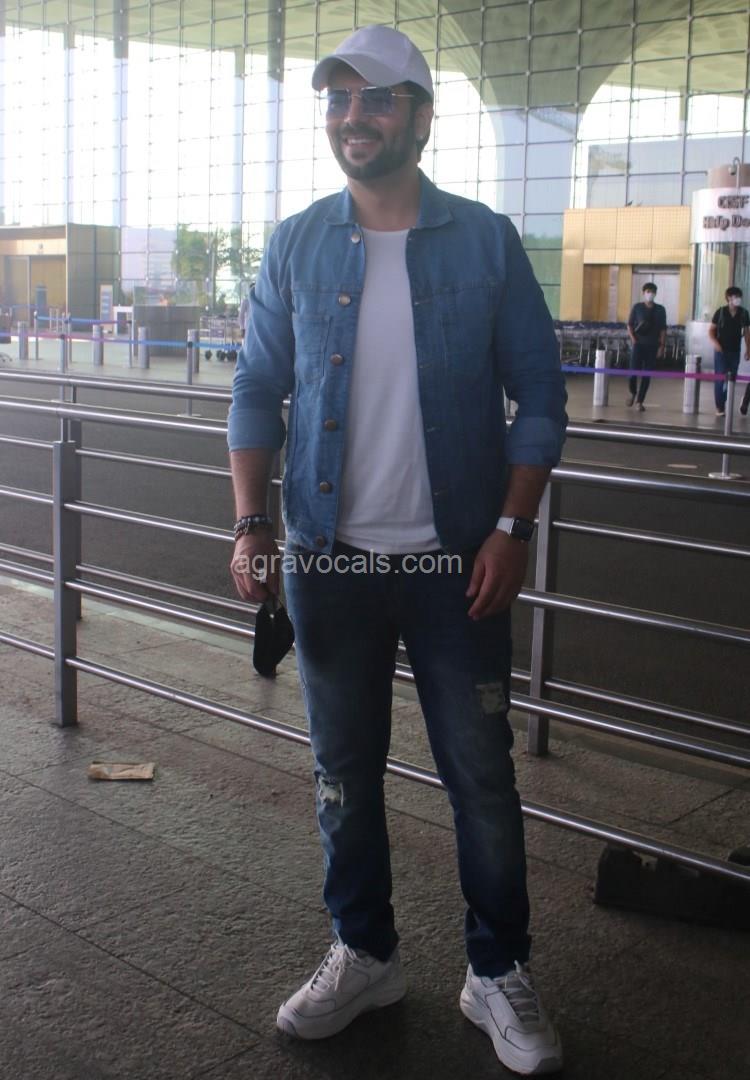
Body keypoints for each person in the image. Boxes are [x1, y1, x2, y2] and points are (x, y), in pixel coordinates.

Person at [227, 25, 567, 1077]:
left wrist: (512, 527)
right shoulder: (296, 244)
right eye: (338, 100)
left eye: (376, 99)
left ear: (421, 116)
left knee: (482, 779)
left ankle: (496, 970)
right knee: (342, 775)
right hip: (328, 561)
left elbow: (540, 395)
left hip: (455, 564)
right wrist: (250, 522)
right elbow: (256, 388)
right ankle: (365, 953)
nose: (353, 118)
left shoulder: (484, 241)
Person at [708, 286, 750, 417]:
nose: (738, 299)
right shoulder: (720, 312)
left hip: (735, 351)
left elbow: (747, 333)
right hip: (721, 351)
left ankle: (725, 400)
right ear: (729, 298)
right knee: (720, 379)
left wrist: (748, 349)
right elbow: (711, 331)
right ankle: (719, 407)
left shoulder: (744, 313)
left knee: (731, 379)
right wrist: (716, 344)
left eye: (739, 297)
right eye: (735, 297)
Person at [626, 282, 667, 411]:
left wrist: (661, 346)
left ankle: (640, 401)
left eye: (652, 292)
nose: (650, 294)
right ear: (643, 293)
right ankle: (633, 392)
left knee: (646, 375)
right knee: (633, 372)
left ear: (655, 294)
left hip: (652, 345)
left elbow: (663, 329)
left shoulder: (660, 310)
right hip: (638, 345)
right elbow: (629, 324)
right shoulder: (637, 307)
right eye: (648, 292)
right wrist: (633, 339)